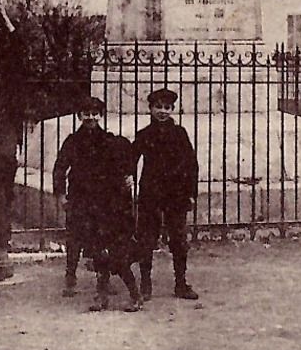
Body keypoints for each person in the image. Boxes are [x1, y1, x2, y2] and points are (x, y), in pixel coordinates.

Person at [52, 96, 143, 312]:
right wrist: (61, 194)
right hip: (81, 199)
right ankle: (89, 287)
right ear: (79, 116)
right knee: (87, 244)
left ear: (101, 116)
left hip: (106, 204)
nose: (90, 117)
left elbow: (124, 164)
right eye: (86, 113)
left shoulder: (110, 141)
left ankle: (128, 294)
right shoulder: (73, 141)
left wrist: (128, 177)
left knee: (112, 253)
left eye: (95, 113)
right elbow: (60, 167)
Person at [132, 87, 199, 301]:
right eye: (158, 107)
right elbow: (130, 160)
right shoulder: (144, 135)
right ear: (150, 109)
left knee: (178, 239)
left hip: (175, 193)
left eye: (167, 107)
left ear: (172, 110)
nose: (162, 111)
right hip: (151, 192)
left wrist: (190, 193)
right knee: (147, 238)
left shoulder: (180, 134)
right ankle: (145, 283)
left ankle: (181, 283)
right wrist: (127, 179)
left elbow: (191, 163)